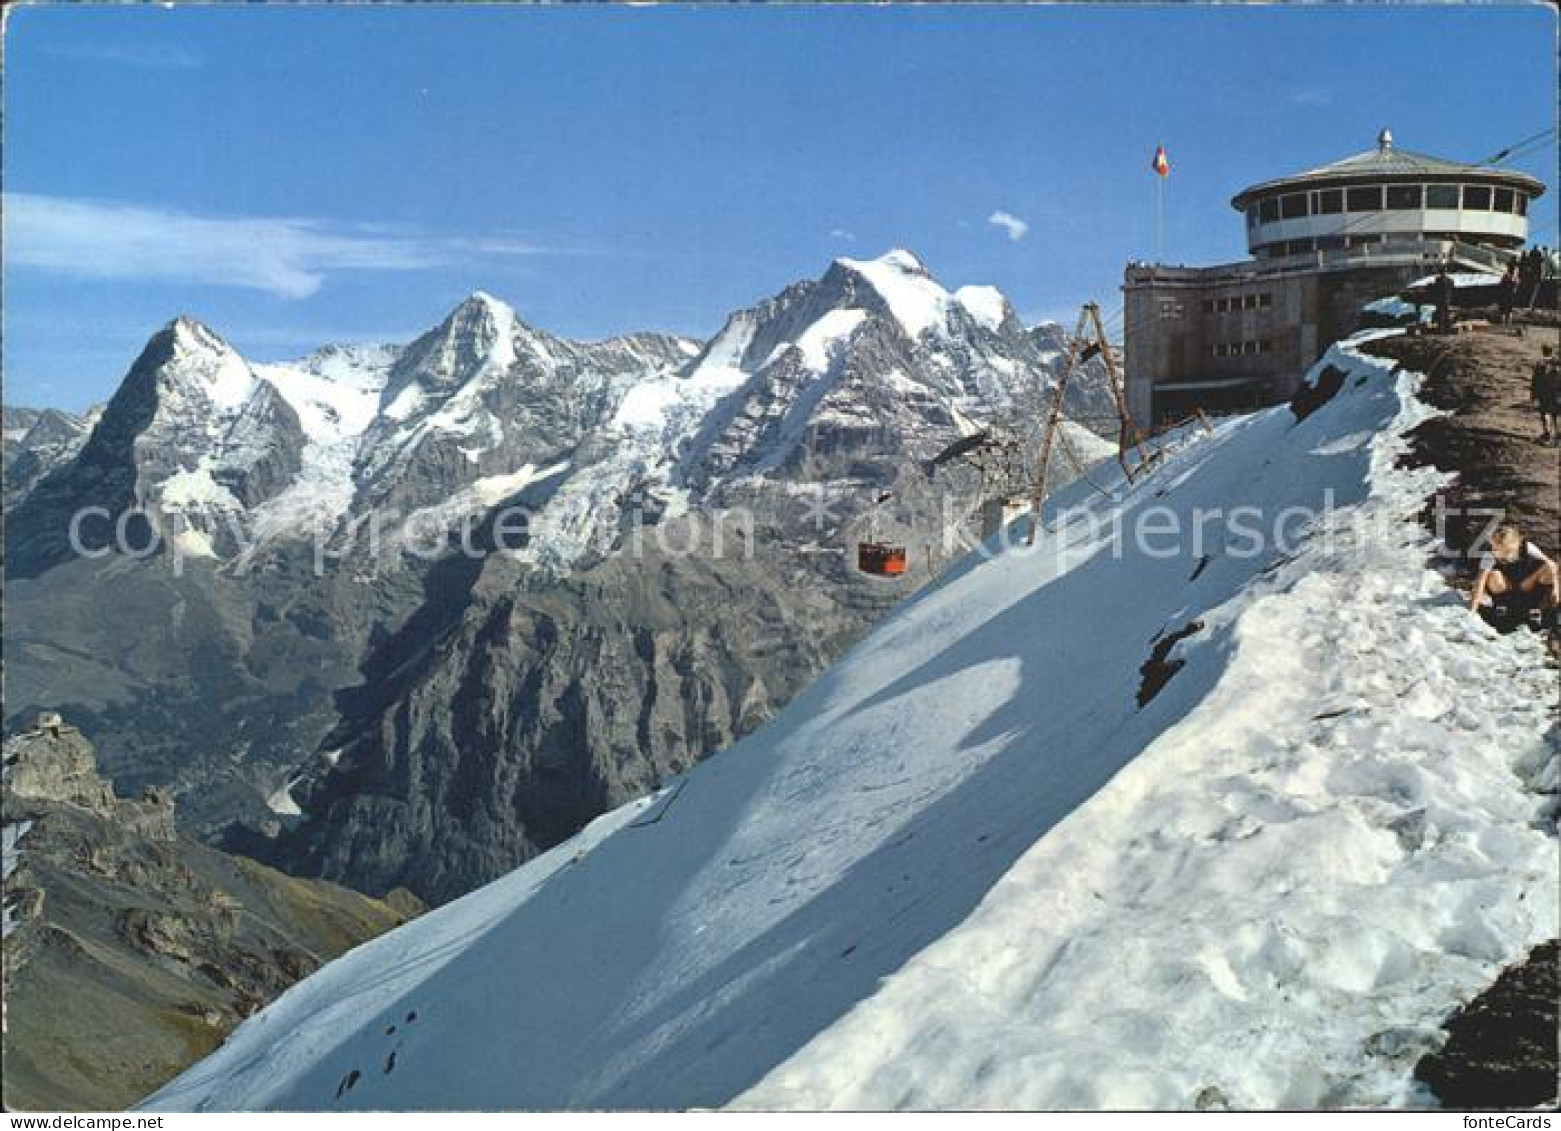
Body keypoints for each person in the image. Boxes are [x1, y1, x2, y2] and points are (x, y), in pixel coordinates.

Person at [1470, 524, 1560, 627]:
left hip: (1525, 586)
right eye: (1494, 547)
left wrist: (1556, 589)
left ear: (1512, 546)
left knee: (1548, 568)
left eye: (1500, 549)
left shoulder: (1527, 547)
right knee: (1494, 575)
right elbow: (1480, 582)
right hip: (1506, 589)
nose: (1495, 552)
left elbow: (1551, 565)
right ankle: (1501, 604)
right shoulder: (1490, 555)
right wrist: (1472, 612)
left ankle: (1537, 608)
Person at [1533, 344, 1561, 443]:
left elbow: (1535, 380)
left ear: (1543, 350)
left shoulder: (1540, 363)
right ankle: (1557, 434)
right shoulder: (1557, 362)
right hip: (1556, 392)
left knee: (1544, 412)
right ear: (1551, 351)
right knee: (1555, 414)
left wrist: (1534, 395)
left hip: (1543, 391)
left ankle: (1547, 433)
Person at [1433, 268, 1454, 334]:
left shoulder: (1438, 280)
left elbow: (1435, 288)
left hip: (1440, 300)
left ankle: (1441, 330)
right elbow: (1452, 285)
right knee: (1447, 315)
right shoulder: (1450, 280)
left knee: (1441, 316)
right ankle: (1448, 330)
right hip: (1447, 300)